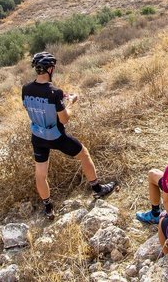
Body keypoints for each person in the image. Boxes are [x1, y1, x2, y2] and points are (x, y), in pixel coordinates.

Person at [21, 51, 116, 219]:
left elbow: (32, 107)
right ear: (50, 69)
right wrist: (70, 102)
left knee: (40, 174)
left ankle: (48, 208)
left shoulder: (26, 89)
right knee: (84, 154)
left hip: (38, 137)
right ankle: (97, 189)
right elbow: (64, 119)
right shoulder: (54, 92)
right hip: (56, 136)